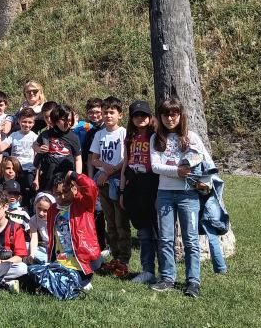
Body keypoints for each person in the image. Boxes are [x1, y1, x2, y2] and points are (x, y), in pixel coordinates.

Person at [149, 98, 215, 298]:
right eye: (165, 115)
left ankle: (193, 281)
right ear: (160, 117)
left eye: (174, 114)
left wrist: (206, 182)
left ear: (180, 116)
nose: (170, 119)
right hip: (165, 194)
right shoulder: (156, 139)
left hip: (188, 194)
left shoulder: (192, 137)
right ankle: (167, 277)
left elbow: (208, 162)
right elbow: (155, 166)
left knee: (191, 240)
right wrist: (178, 171)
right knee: (166, 239)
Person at [89, 96, 131, 274]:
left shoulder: (123, 133)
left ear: (119, 115)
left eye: (111, 112)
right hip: (103, 182)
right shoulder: (99, 134)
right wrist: (103, 168)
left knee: (121, 221)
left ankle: (124, 257)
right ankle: (114, 256)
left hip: (117, 179)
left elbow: (126, 158)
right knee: (110, 221)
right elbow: (94, 159)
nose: (107, 116)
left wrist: (110, 170)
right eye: (105, 112)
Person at [119, 100, 160, 285]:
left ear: (150, 117)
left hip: (152, 184)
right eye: (136, 115)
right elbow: (125, 164)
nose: (140, 118)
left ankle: (166, 271)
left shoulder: (156, 136)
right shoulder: (130, 137)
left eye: (143, 115)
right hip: (133, 185)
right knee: (143, 231)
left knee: (158, 230)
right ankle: (147, 270)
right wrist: (121, 190)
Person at [46, 171, 102, 289]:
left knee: (62, 285)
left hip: (81, 261)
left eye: (65, 192)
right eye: (57, 194)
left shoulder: (84, 205)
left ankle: (82, 281)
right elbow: (52, 239)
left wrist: (74, 175)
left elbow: (91, 187)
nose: (62, 197)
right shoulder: (52, 210)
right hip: (61, 260)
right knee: (40, 276)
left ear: (75, 188)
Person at [34, 104, 82, 193]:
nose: (67, 123)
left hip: (66, 176)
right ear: (55, 120)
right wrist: (39, 149)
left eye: (70, 120)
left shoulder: (74, 137)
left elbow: (78, 159)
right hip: (48, 175)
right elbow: (35, 145)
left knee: (64, 200)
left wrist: (77, 176)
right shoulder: (46, 134)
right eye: (64, 120)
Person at [0, 108, 38, 205]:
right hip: (15, 170)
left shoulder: (34, 137)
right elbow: (1, 148)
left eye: (30, 122)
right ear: (19, 121)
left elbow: (37, 159)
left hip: (28, 170)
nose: (27, 125)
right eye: (24, 121)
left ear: (33, 123)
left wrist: (37, 178)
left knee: (27, 194)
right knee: (12, 193)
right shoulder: (14, 135)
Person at [28, 193, 54, 264]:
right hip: (44, 247)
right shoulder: (33, 220)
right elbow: (34, 238)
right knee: (27, 246)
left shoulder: (56, 219)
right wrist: (32, 254)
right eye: (39, 208)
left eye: (45, 210)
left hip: (55, 249)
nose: (41, 213)